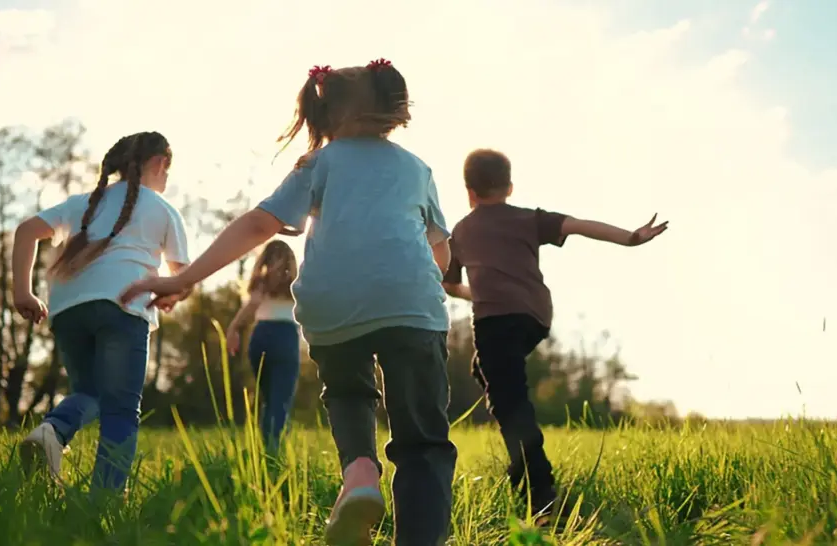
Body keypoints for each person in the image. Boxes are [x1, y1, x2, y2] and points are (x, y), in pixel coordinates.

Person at [120, 59, 457, 546]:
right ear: (393, 109)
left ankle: (360, 473)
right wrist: (423, 279)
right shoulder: (416, 168)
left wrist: (185, 278)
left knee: (347, 392)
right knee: (422, 440)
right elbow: (439, 249)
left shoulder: (319, 164)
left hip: (331, 306)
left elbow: (259, 224)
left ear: (324, 115)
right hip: (409, 303)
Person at [441, 148, 668, 518]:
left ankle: (540, 491)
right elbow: (578, 225)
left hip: (495, 322)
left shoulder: (461, 232)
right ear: (509, 187)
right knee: (488, 375)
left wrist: (477, 292)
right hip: (534, 318)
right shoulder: (529, 219)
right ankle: (524, 469)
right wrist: (631, 237)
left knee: (510, 402)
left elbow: (450, 287)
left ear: (468, 191)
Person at [11, 131, 191, 491]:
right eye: (167, 169)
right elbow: (183, 278)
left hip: (67, 309)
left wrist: (23, 292)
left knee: (90, 392)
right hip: (122, 306)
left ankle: (52, 431)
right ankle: (105, 502)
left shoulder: (82, 203)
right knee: (121, 408)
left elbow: (27, 230)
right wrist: (172, 294)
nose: (167, 178)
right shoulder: (163, 210)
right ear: (158, 164)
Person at [226, 240, 301, 452]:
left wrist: (234, 328)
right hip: (285, 337)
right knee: (281, 398)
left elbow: (253, 304)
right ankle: (274, 451)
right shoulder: (296, 284)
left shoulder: (260, 282)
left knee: (268, 398)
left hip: (261, 337)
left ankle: (267, 447)